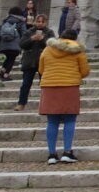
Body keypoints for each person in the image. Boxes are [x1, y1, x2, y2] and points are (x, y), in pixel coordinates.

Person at [38, 28, 90, 164]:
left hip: (49, 86)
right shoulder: (78, 50)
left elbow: (41, 69)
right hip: (69, 85)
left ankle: (51, 154)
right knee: (70, 119)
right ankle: (67, 152)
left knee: (52, 121)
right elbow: (84, 71)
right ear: (74, 39)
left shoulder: (48, 49)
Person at [15, 13, 55, 111]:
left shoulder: (49, 32)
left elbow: (53, 45)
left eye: (42, 22)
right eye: (38, 21)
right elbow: (21, 44)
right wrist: (31, 39)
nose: (40, 23)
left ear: (46, 22)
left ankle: (46, 104)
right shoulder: (29, 32)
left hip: (44, 62)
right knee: (25, 84)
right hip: (29, 61)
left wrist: (43, 40)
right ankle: (21, 103)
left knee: (45, 84)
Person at [0, 7, 27, 81]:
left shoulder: (5, 21)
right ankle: (6, 75)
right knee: (11, 59)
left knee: (8, 58)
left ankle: (2, 71)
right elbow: (24, 33)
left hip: (4, 44)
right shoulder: (20, 22)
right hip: (15, 45)